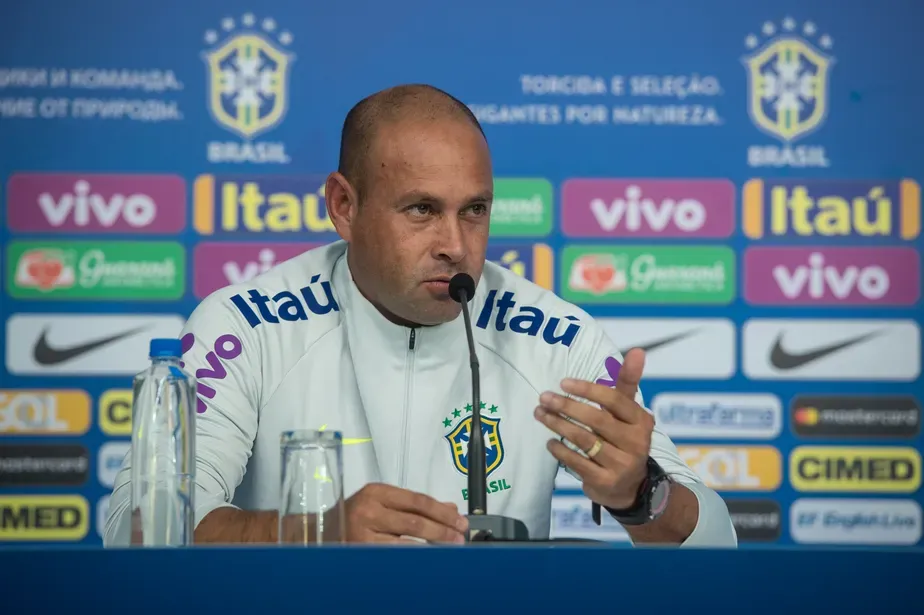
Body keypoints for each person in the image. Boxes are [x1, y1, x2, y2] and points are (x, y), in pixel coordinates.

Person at [104, 84, 737, 547]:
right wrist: (314, 535)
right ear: (343, 205)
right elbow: (137, 525)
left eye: (475, 210)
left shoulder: (559, 340)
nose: (456, 245)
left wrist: (641, 495)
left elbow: (717, 546)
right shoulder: (244, 326)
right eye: (421, 210)